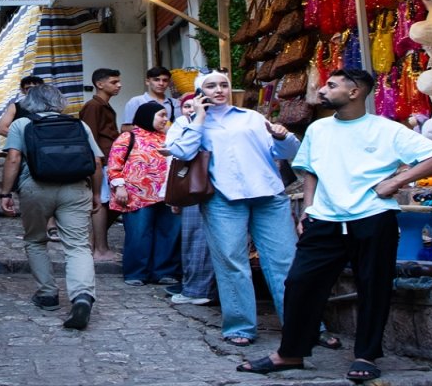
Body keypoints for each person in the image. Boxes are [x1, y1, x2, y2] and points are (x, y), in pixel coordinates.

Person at [237, 69, 432, 380]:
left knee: (373, 288)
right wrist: (308, 208)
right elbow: (311, 169)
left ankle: (366, 355)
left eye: (332, 85)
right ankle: (290, 353)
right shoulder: (319, 129)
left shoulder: (387, 130)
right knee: (299, 284)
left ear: (354, 93)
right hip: (325, 219)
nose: (324, 89)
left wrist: (396, 182)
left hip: (373, 217)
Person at [165, 71, 299, 347]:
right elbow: (181, 152)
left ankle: (303, 324)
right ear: (200, 92)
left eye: (223, 85)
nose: (219, 90)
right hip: (223, 199)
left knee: (285, 262)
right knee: (231, 263)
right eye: (211, 86)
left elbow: (286, 152)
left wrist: (282, 137)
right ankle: (241, 325)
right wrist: (199, 120)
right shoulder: (186, 123)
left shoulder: (251, 117)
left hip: (268, 195)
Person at [0, 84, 103, 330]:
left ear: (29, 103)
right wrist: (96, 193)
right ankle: (82, 296)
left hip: (35, 187)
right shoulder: (79, 125)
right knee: (77, 245)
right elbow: (97, 162)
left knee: (35, 240)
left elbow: (13, 158)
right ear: (59, 102)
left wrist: (5, 192)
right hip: (76, 187)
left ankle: (47, 294)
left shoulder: (21, 125)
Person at [108, 101, 181, 286]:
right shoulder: (128, 137)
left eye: (166, 115)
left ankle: (164, 271)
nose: (166, 119)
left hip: (167, 194)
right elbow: (114, 164)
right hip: (137, 195)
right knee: (139, 233)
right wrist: (120, 187)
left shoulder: (168, 138)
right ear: (148, 116)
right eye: (161, 115)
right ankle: (136, 272)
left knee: (168, 233)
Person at [165, 92, 215, 306]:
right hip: (196, 185)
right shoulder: (186, 123)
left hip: (205, 186)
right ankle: (196, 287)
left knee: (199, 238)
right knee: (195, 238)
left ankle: (199, 289)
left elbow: (179, 152)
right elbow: (178, 151)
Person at [78, 67, 122, 262]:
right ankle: (100, 250)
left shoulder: (104, 105)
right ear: (100, 84)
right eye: (114, 82)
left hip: (110, 159)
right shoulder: (93, 106)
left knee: (113, 204)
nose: (119, 85)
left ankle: (94, 243)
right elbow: (90, 137)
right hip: (101, 161)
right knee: (102, 203)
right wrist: (95, 164)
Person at [122, 66, 182, 131]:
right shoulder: (136, 101)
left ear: (169, 83)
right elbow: (125, 128)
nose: (161, 83)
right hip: (143, 140)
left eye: (165, 80)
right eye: (156, 80)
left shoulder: (175, 103)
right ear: (147, 82)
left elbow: (181, 127)